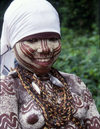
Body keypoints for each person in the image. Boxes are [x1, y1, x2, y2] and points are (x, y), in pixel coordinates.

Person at [0, 0, 100, 129]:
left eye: (52, 39)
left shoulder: (75, 81)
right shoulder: (7, 86)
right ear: (13, 45)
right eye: (32, 40)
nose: (45, 48)